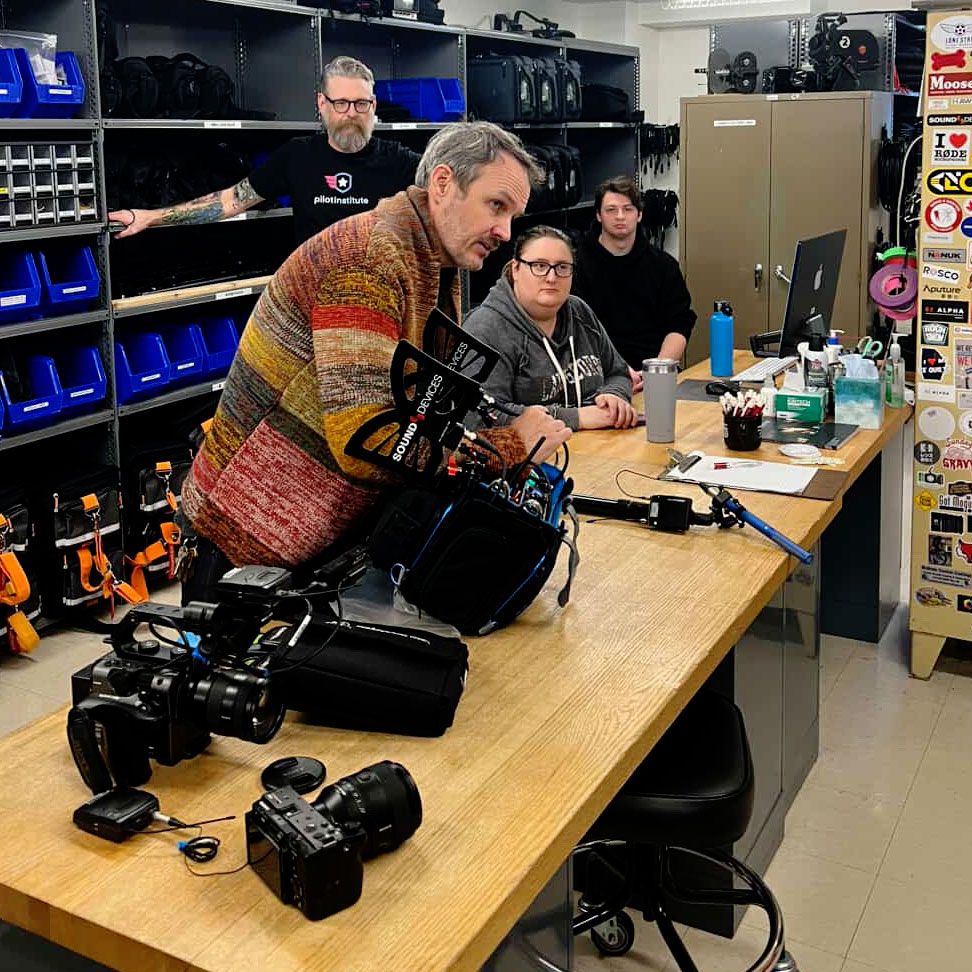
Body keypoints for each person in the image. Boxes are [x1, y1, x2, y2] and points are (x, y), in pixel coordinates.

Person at [177, 122, 572, 602]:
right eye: (496, 206)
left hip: (312, 542)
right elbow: (367, 441)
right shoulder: (369, 260)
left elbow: (418, 411)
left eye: (513, 215)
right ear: (443, 184)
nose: (505, 232)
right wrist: (505, 448)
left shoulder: (428, 260)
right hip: (244, 551)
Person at [108, 56, 419, 246]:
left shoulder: (399, 161)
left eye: (361, 104)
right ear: (322, 104)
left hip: (377, 304)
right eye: (341, 103)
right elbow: (228, 201)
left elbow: (444, 189)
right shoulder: (298, 156)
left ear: (373, 106)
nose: (351, 113)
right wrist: (150, 217)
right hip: (314, 303)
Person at [463, 226, 636, 432]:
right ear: (515, 269)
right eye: (539, 266)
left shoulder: (579, 312)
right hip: (532, 451)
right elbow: (477, 416)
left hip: (600, 443)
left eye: (562, 267)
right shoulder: (485, 328)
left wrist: (614, 395)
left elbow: (618, 372)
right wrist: (577, 418)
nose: (552, 278)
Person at [572, 175, 697, 379]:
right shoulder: (575, 267)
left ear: (639, 215)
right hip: (597, 375)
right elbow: (574, 333)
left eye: (628, 209)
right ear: (598, 215)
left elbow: (679, 323)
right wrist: (619, 376)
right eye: (611, 210)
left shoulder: (664, 266)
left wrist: (657, 372)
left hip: (654, 372)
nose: (620, 216)